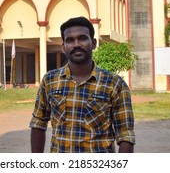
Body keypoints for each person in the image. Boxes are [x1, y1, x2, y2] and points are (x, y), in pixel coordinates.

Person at [29, 16, 135, 153]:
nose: (76, 44)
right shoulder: (50, 80)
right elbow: (38, 123)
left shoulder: (115, 84)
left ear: (94, 43)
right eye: (70, 40)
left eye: (82, 38)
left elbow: (125, 135)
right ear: (63, 47)